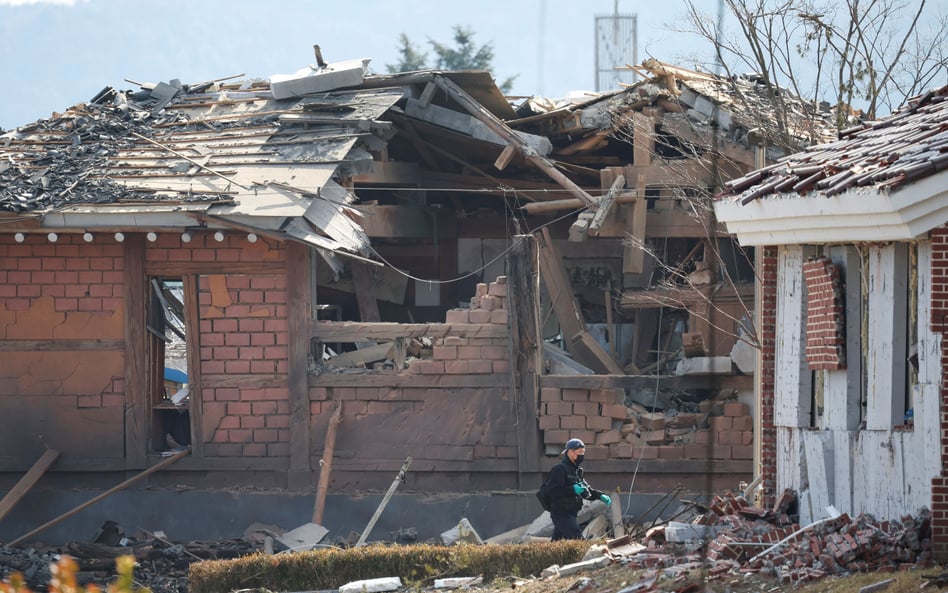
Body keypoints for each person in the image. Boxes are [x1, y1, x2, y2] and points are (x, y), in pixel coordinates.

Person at [545, 438, 612, 540]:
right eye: (579, 452)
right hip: (561, 513)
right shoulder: (559, 469)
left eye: (583, 452)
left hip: (571, 513)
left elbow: (586, 490)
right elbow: (553, 491)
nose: (582, 455)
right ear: (570, 452)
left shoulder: (577, 471)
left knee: (557, 542)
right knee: (578, 540)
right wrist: (572, 489)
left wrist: (600, 495)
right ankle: (586, 556)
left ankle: (547, 556)